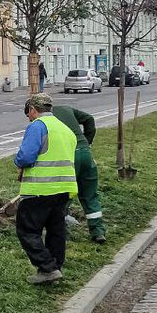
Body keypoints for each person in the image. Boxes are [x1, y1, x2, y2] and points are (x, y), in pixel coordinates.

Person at [13, 93, 78, 285]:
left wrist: (16, 161)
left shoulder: (37, 126)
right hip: (64, 188)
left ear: (33, 110)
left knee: (27, 230)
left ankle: (47, 267)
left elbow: (25, 157)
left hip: (41, 188)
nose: (29, 117)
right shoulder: (65, 129)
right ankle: (55, 268)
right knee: (56, 230)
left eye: (29, 113)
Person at [51, 104, 107, 243]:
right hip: (86, 154)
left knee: (64, 194)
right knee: (90, 194)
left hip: (70, 156)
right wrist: (87, 142)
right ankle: (98, 231)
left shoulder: (45, 120)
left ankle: (61, 231)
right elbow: (89, 119)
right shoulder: (65, 108)